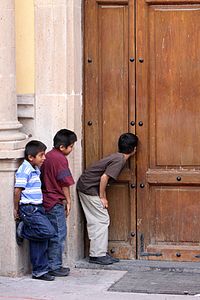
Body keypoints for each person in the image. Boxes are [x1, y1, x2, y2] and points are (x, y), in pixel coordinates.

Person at [77, 132, 138, 265]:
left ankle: (98, 253)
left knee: (97, 220)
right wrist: (102, 197)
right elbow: (104, 177)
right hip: (88, 188)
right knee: (101, 219)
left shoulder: (117, 157)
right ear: (134, 149)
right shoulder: (120, 159)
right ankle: (97, 255)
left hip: (85, 185)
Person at [14, 140, 56, 281]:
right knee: (48, 231)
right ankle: (24, 230)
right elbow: (17, 190)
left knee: (41, 239)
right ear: (31, 157)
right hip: (29, 208)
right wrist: (16, 209)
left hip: (38, 207)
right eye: (41, 155)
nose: (44, 158)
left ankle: (40, 271)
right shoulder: (24, 169)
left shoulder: (35, 169)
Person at [41, 129, 77, 277]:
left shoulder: (48, 156)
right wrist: (68, 200)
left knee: (53, 233)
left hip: (46, 199)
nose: (72, 149)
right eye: (71, 146)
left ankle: (52, 264)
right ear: (62, 147)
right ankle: (54, 266)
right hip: (54, 201)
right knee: (58, 234)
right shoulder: (60, 159)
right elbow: (64, 182)